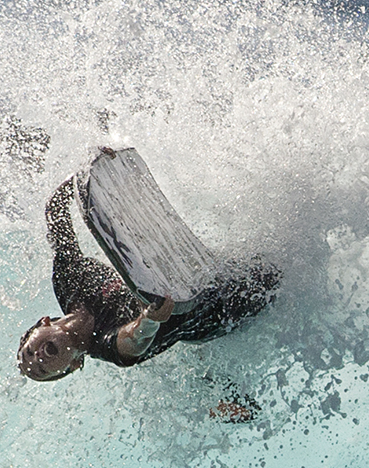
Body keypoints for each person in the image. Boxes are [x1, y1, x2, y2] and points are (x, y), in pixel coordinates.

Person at [16, 149, 279, 398]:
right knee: (278, 271)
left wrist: (90, 174)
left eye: (30, 351)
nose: (38, 358)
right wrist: (149, 320)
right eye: (42, 370)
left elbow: (56, 217)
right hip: (220, 313)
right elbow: (132, 340)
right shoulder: (106, 346)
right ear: (74, 365)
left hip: (208, 275)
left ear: (43, 323)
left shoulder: (69, 283)